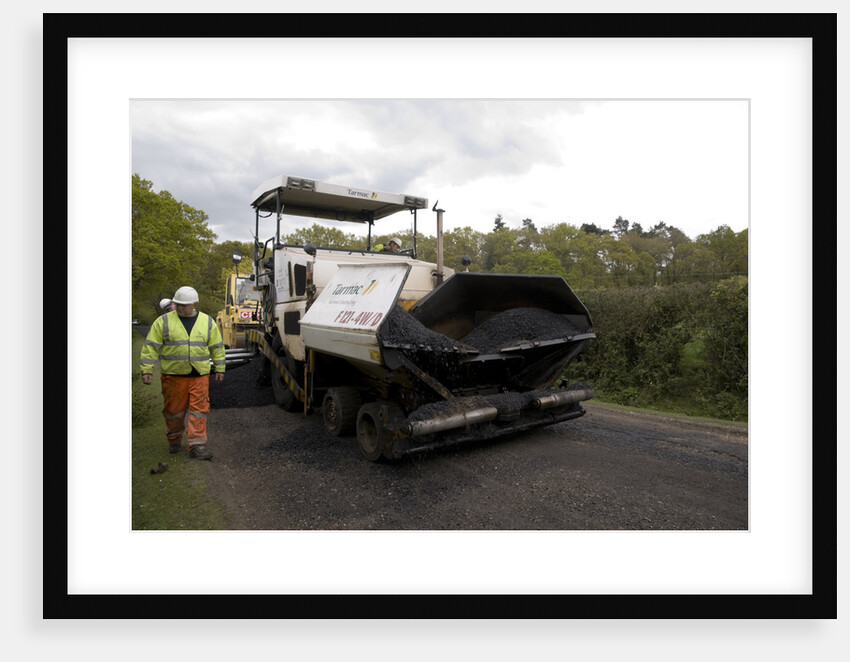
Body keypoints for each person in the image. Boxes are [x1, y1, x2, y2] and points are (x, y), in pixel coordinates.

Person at [140, 286, 226, 460]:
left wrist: (220, 368)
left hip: (199, 376)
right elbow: (151, 346)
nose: (179, 308)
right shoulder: (163, 321)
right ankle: (174, 438)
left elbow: (217, 347)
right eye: (177, 304)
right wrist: (146, 369)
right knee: (173, 411)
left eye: (184, 305)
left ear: (194, 304)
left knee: (199, 411)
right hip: (173, 377)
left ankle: (196, 445)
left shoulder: (207, 322)